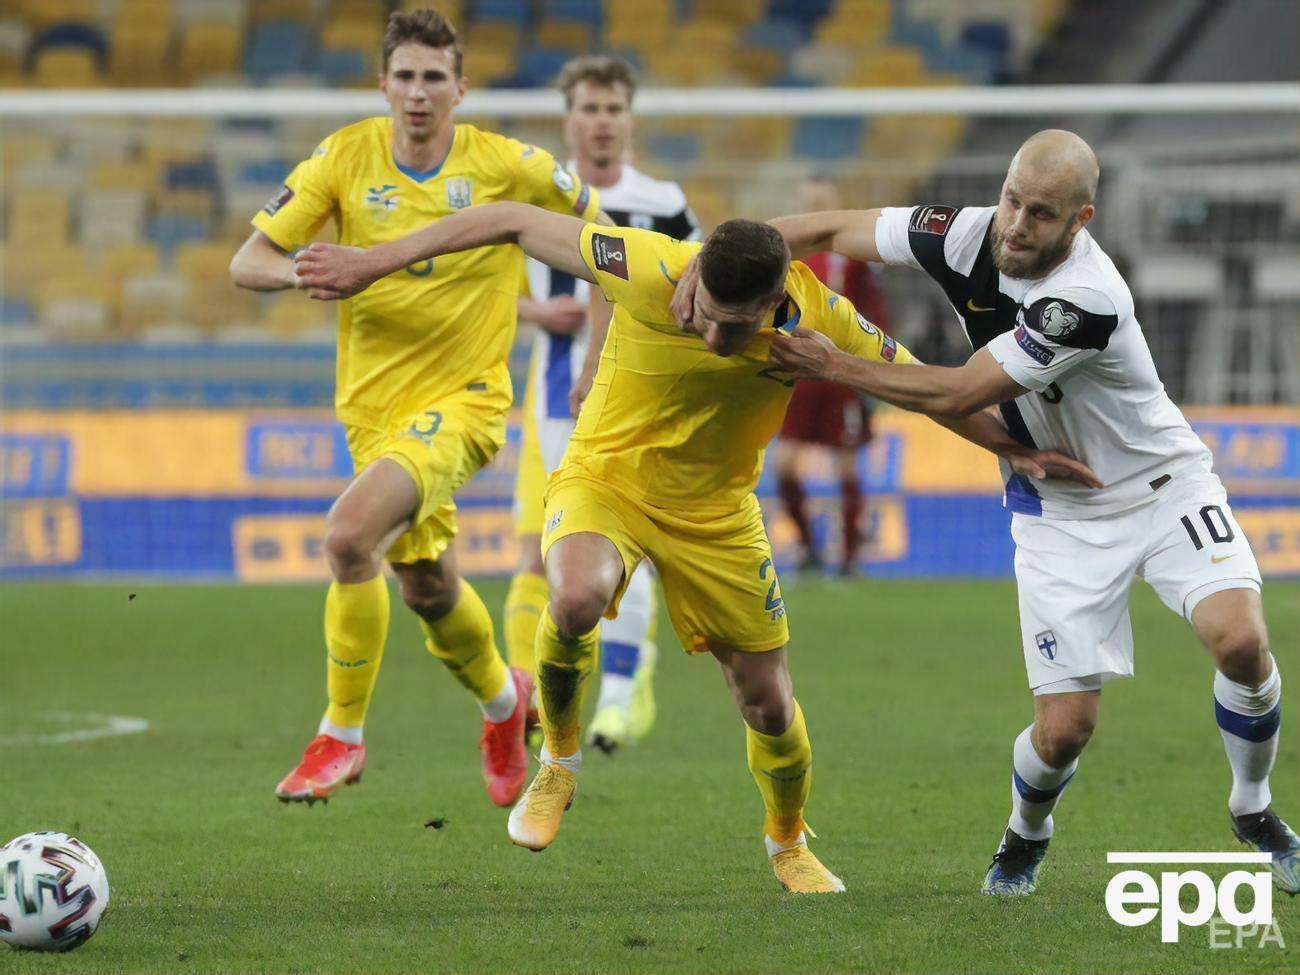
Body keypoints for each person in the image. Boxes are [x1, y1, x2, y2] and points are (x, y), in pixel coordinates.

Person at [292, 201, 1099, 893]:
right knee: (572, 596)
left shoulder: (817, 318)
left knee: (768, 702)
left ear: (775, 300)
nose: (713, 334)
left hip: (715, 512)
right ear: (693, 273)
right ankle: (559, 761)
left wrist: (1014, 450)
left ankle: (788, 840)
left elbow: (923, 382)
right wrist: (375, 260)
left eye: (734, 326)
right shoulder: (645, 262)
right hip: (604, 477)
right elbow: (506, 220)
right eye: (703, 309)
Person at [746, 128, 1297, 896]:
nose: (1015, 224)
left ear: (1081, 221)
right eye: (1011, 200)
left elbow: (961, 392)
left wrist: (832, 363)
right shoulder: (964, 232)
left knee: (1240, 639)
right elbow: (833, 229)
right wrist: (728, 259)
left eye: (1041, 214)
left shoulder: (1087, 297)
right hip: (1059, 509)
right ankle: (1025, 833)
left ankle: (1253, 805)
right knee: (1066, 728)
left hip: (1165, 487)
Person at [228, 8, 602, 808]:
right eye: (406, 76)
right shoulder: (345, 155)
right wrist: (314, 274)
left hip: (464, 404)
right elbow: (248, 260)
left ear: (461, 88)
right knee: (427, 586)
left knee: (345, 535)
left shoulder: (509, 166)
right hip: (371, 411)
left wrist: (600, 354)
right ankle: (507, 708)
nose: (420, 92)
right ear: (383, 84)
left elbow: (607, 245)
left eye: (436, 77)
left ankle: (342, 735)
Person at [508, 55, 701, 755]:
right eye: (589, 109)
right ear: (569, 120)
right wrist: (538, 312)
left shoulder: (664, 200)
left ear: (630, 118)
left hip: (641, 395)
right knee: (550, 551)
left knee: (628, 549)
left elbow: (700, 283)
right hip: (560, 397)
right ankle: (541, 692)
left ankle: (621, 693)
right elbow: (484, 283)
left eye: (613, 109)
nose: (601, 123)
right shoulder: (536, 192)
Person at [772, 176, 890, 575]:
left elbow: (874, 306)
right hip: (800, 375)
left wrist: (875, 364)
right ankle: (807, 546)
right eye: (808, 201)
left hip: (842, 374)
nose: (814, 208)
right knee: (784, 465)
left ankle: (849, 558)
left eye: (821, 201)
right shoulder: (786, 254)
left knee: (846, 467)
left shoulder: (850, 253)